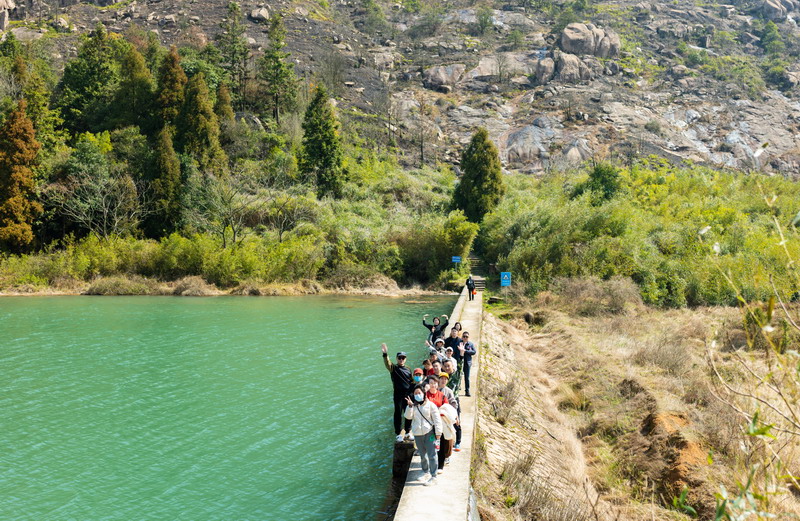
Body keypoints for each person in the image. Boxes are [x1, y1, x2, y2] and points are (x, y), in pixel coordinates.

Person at [404, 384, 442, 486]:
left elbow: (437, 420)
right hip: (417, 433)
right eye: (415, 393)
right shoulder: (413, 406)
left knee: (432, 454)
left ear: (424, 394)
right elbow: (408, 417)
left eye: (419, 393)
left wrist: (438, 433)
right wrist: (410, 406)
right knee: (422, 455)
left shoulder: (431, 405)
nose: (417, 395)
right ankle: (425, 471)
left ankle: (434, 476)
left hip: (428, 432)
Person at [382, 343, 413, 442]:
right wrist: (385, 354)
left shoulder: (408, 369)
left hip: (407, 395)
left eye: (403, 358)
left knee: (408, 413)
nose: (401, 359)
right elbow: (387, 363)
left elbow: (411, 381)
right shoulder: (393, 368)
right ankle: (399, 433)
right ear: (396, 359)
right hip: (398, 394)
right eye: (399, 358)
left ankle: (408, 432)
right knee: (398, 413)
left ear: (405, 359)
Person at [438, 372, 462, 452]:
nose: (443, 380)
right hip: (438, 415)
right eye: (441, 378)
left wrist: (455, 415)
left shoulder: (449, 391)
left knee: (451, 430)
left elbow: (454, 403)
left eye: (445, 379)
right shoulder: (436, 389)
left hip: (447, 414)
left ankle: (456, 443)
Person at [460, 331, 477, 397]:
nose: (465, 338)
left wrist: (466, 351)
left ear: (468, 337)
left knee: (467, 377)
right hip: (460, 362)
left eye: (466, 337)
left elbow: (474, 351)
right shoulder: (460, 343)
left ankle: (467, 390)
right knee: (459, 376)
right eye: (464, 336)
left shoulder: (470, 344)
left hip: (467, 362)